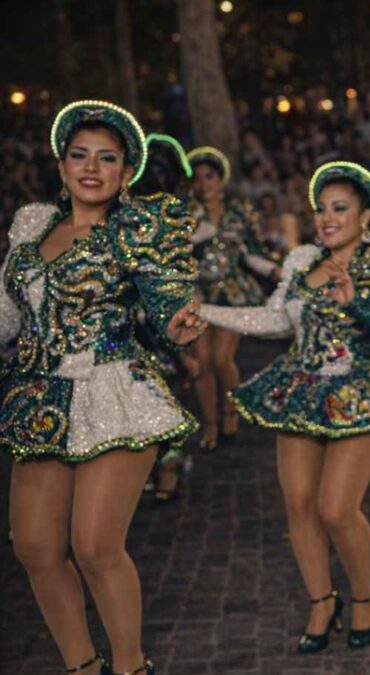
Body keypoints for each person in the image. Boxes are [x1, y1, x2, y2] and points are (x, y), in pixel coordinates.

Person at [200, 161, 370, 652]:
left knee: (336, 509)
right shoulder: (300, 264)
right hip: (301, 388)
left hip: (362, 390)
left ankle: (364, 596)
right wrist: (205, 312)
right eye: (320, 210)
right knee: (297, 504)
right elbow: (275, 322)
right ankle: (321, 601)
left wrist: (356, 300)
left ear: (364, 218)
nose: (327, 218)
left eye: (339, 209)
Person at [2, 100, 206, 675]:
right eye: (79, 155)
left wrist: (179, 324)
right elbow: (6, 318)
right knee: (35, 548)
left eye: (107, 158)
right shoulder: (31, 227)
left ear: (125, 173)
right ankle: (82, 667)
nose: (91, 167)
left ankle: (130, 667)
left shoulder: (137, 229)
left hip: (116, 392)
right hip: (37, 397)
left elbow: (169, 304)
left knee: (93, 547)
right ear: (62, 165)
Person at [186, 146, 280, 451]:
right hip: (196, 292)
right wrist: (197, 232)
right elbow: (173, 253)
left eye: (209, 176)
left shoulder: (240, 213)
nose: (204, 184)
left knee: (221, 359)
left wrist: (274, 269)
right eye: (198, 178)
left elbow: (252, 251)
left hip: (231, 292)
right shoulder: (184, 213)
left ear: (221, 179)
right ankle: (210, 425)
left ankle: (230, 414)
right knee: (202, 362)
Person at [129, 132, 199, 504]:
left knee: (164, 391)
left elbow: (178, 280)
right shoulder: (119, 216)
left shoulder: (174, 216)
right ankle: (153, 466)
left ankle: (169, 465)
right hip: (130, 321)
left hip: (163, 314)